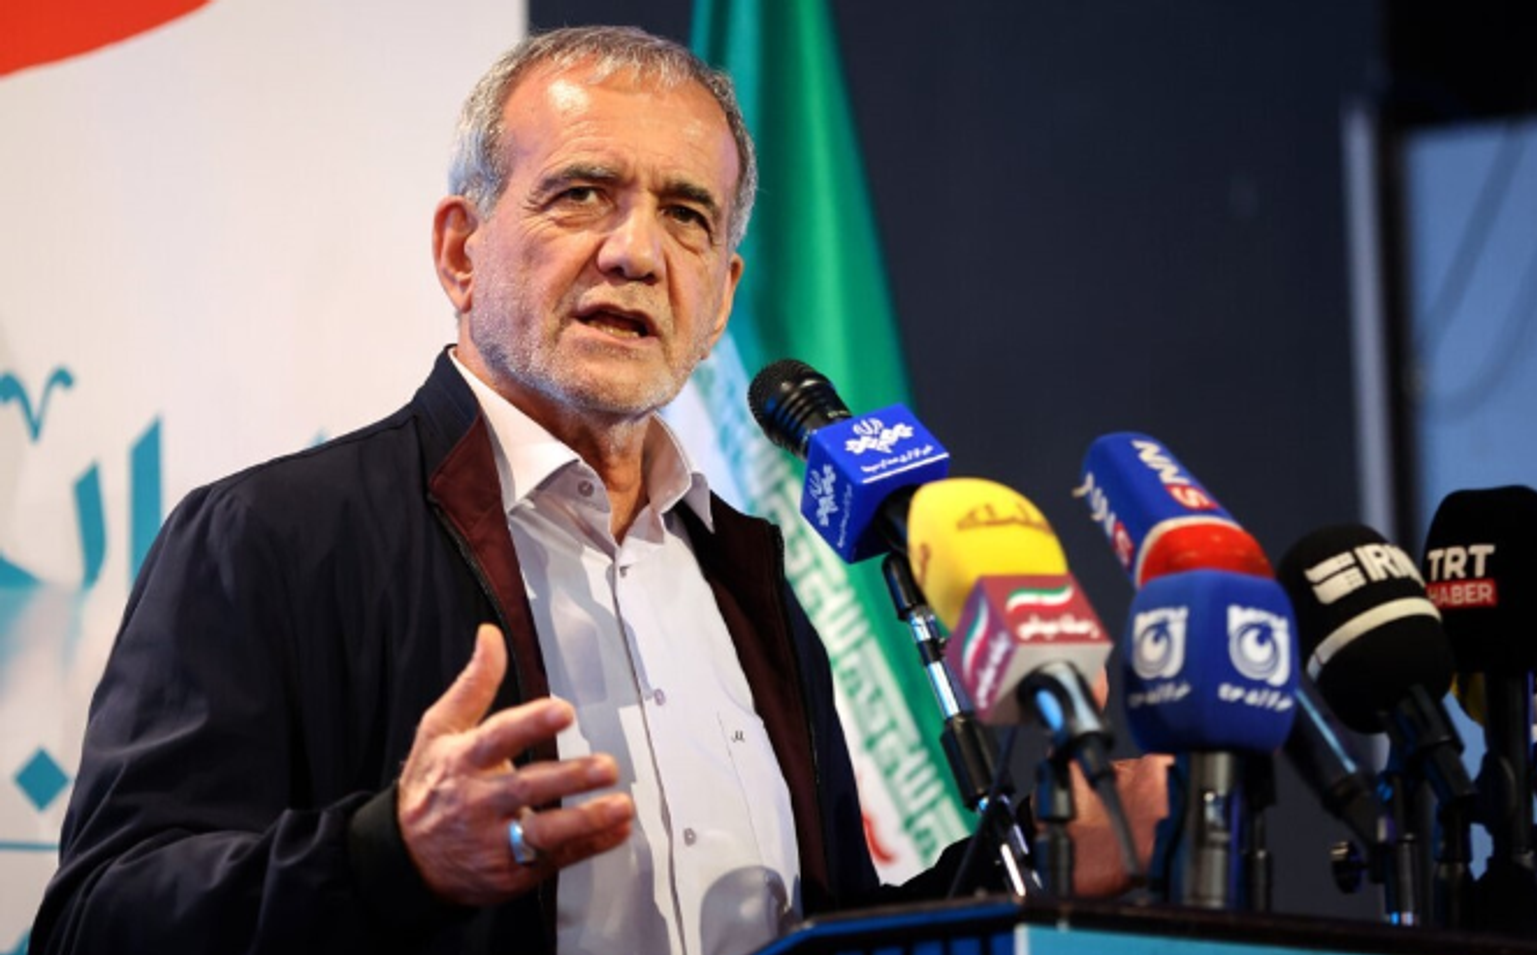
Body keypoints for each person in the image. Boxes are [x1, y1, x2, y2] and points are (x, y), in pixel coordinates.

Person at [31, 25, 1164, 955]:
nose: (636, 253)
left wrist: (1046, 858)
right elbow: (97, 919)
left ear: (721, 299)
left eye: (687, 216)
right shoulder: (271, 538)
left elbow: (825, 936)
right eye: (582, 194)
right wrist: (390, 855)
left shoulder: (751, 583)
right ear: (461, 251)